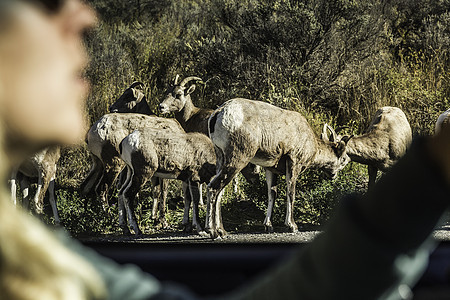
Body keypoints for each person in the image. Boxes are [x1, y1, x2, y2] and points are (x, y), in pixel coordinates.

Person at [0, 0, 449, 299]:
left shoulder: (38, 260)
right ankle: (236, 219)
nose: (85, 16)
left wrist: (423, 178)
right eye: (47, 4)